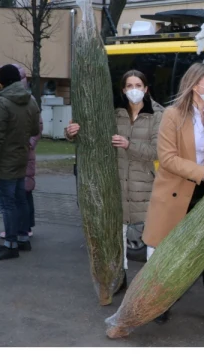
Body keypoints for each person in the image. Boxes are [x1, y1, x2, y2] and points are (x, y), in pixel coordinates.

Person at [142, 63, 204, 333]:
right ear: (195, 84)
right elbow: (167, 158)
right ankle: (159, 303)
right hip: (175, 192)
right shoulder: (172, 115)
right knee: (166, 252)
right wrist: (203, 171)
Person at [65, 69, 164, 289]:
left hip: (145, 186)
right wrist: (72, 132)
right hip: (116, 183)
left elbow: (158, 151)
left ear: (146, 89)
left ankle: (153, 287)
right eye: (129, 86)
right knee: (117, 236)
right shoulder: (114, 114)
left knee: (152, 238)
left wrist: (130, 145)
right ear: (123, 90)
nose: (134, 90)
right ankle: (119, 280)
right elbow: (93, 136)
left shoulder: (158, 115)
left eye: (138, 86)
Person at [0, 63, 41, 261]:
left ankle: (10, 244)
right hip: (21, 158)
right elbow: (35, 129)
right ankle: (23, 237)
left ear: (1, 81)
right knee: (20, 200)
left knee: (7, 204)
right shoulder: (30, 100)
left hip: (4, 162)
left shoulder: (2, 102)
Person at [0, 63, 40, 241]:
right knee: (21, 190)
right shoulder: (14, 99)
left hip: (21, 152)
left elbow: (37, 127)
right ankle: (24, 227)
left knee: (22, 191)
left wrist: (29, 143)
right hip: (19, 151)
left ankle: (23, 227)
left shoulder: (26, 100)